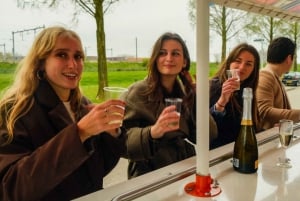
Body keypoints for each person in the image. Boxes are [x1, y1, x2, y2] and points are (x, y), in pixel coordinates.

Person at [0, 26, 127, 201]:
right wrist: (79, 133)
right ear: (41, 62)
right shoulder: (14, 110)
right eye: (61, 55)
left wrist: (112, 135)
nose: (73, 64)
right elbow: (12, 188)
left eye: (78, 56)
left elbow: (97, 171)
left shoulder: (83, 105)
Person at [120, 32, 217, 179]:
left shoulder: (186, 93)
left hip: (183, 168)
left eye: (176, 53)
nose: (169, 58)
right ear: (155, 58)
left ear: (184, 61)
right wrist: (152, 132)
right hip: (148, 174)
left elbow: (208, 136)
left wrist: (198, 98)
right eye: (163, 53)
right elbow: (120, 142)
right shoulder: (137, 92)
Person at [209, 43, 261, 149]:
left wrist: (272, 130)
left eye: (248, 64)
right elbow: (207, 128)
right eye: (238, 61)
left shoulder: (247, 90)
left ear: (253, 70)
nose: (241, 67)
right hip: (219, 155)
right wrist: (222, 101)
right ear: (229, 62)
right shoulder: (215, 86)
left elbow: (250, 128)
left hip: (241, 150)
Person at [256, 37, 300, 130]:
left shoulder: (273, 76)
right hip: (267, 141)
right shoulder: (265, 77)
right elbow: (264, 111)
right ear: (289, 59)